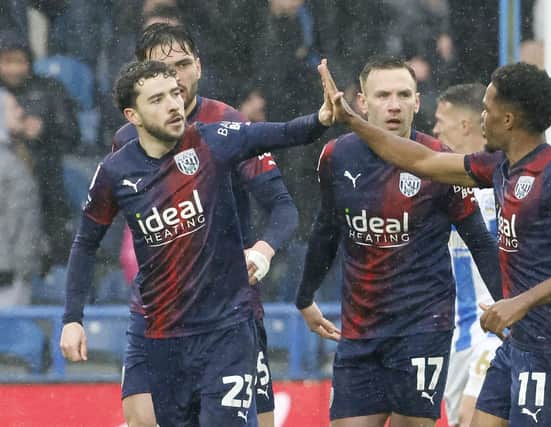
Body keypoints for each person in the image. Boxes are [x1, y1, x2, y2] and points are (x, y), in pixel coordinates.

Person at [322, 61, 551, 427]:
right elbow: (424, 160)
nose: (480, 120)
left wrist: (520, 302)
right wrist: (352, 121)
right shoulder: (499, 167)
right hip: (521, 336)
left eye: (487, 111)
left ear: (507, 120)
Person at [60, 59, 333, 426]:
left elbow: (282, 133)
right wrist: (72, 319)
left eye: (175, 94)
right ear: (133, 115)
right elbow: (85, 243)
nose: (173, 104)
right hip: (164, 338)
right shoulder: (115, 172)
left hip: (227, 330)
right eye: (157, 99)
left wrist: (322, 118)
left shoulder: (211, 140)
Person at [296, 56, 502, 427]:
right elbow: (326, 229)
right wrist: (305, 297)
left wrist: (510, 302)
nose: (394, 104)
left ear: (417, 102)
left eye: (404, 94)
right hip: (360, 331)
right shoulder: (336, 156)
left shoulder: (440, 161)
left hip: (423, 326)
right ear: (362, 103)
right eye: (384, 95)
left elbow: (480, 241)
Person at [111, 23, 297, 427]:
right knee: (142, 421)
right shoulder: (126, 139)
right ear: (140, 76)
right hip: (158, 313)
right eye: (162, 68)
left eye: (182, 64)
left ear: (199, 65)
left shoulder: (228, 123)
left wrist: (262, 251)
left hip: (228, 313)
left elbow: (283, 207)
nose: (175, 77)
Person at [432, 83, 503, 427]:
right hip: (455, 339)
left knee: (474, 416)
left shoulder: (509, 178)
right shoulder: (436, 183)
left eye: (440, 119)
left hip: (496, 327)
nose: (434, 129)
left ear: (464, 126)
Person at [0, 30, 80, 273]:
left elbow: (72, 135)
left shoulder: (50, 88)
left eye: (20, 62)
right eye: (7, 62)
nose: (14, 69)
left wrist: (44, 130)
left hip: (47, 182)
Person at [0, 88, 41, 307]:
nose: (20, 113)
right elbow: (17, 219)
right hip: (7, 270)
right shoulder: (4, 161)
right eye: (13, 108)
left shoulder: (13, 154)